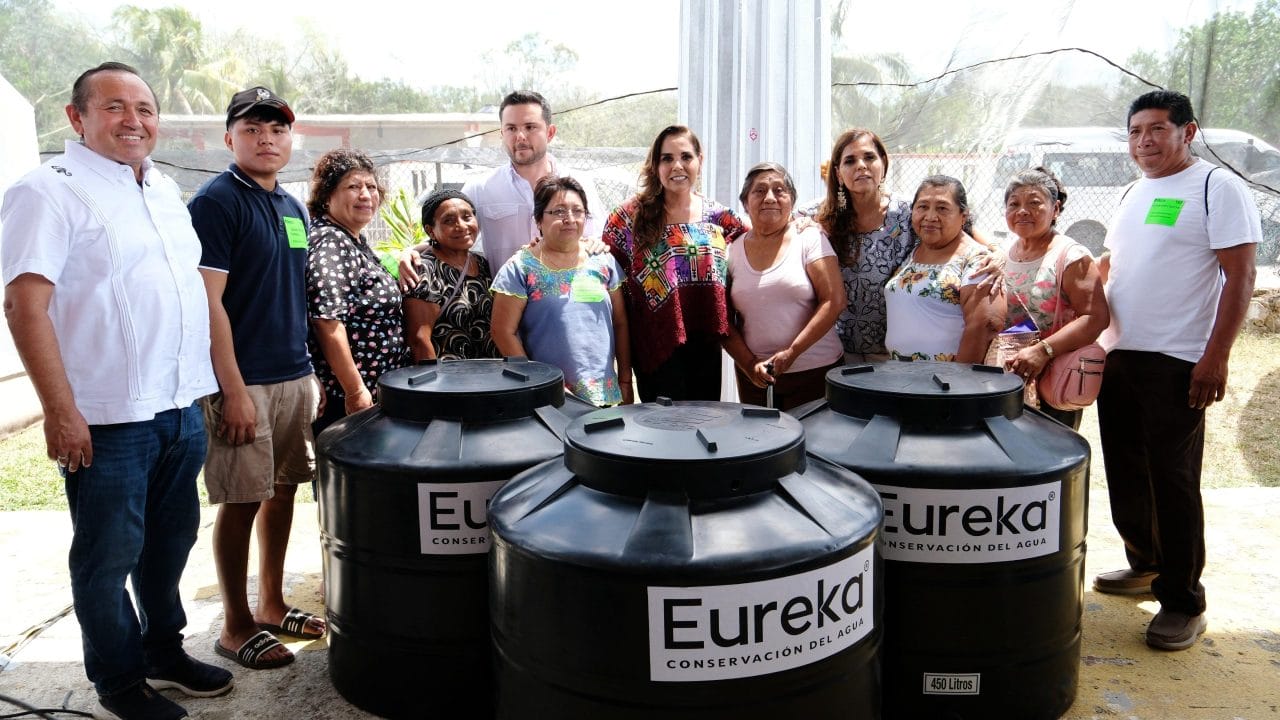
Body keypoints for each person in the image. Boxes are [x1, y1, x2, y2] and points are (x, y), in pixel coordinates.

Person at [1, 62, 231, 719]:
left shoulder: (162, 188)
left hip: (178, 407)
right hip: (106, 418)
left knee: (169, 545)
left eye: (145, 108)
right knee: (106, 559)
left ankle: (163, 651)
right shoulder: (47, 190)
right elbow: (24, 306)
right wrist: (60, 410)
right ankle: (120, 681)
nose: (134, 120)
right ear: (76, 117)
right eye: (114, 107)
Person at [1092, 90, 1258, 651]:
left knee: (1173, 479)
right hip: (1120, 354)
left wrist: (1216, 356)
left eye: (1157, 129)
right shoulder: (1132, 191)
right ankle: (1147, 563)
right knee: (1126, 471)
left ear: (1188, 131)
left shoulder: (1216, 187)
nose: (1144, 141)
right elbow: (1115, 267)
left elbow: (1240, 276)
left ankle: (1184, 600)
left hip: (1178, 359)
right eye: (1136, 131)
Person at [187, 86, 325, 673]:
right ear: (230, 139)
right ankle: (235, 624)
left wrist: (307, 371)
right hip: (243, 382)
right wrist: (233, 389)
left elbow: (292, 293)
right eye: (252, 129)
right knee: (242, 499)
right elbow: (208, 302)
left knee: (283, 489)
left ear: (290, 139)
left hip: (293, 375)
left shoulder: (292, 207)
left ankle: (271, 603)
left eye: (277, 129)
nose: (266, 139)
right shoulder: (216, 202)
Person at [397, 90, 605, 285]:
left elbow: (598, 241)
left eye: (530, 127)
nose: (520, 136)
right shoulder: (481, 188)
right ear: (502, 134)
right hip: (505, 305)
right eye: (511, 128)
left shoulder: (581, 185)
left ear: (550, 132)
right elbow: (449, 237)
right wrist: (411, 251)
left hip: (569, 302)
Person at [603, 125, 749, 401]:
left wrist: (802, 225)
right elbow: (607, 267)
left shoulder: (719, 217)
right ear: (655, 165)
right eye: (667, 158)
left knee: (704, 423)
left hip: (706, 345)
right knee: (660, 425)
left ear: (699, 161)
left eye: (686, 157)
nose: (677, 166)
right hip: (654, 345)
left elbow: (760, 239)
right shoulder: (629, 217)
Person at [491, 175, 632, 406]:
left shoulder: (603, 261)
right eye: (558, 211)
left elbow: (620, 323)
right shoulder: (520, 268)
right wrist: (535, 383)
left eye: (578, 211)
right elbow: (502, 331)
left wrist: (625, 380)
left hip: (604, 394)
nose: (570, 219)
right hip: (549, 398)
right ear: (539, 219)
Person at [723, 163, 844, 410]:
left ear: (792, 202)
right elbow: (723, 319)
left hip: (815, 373)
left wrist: (792, 353)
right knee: (762, 436)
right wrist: (749, 366)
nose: (770, 197)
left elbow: (834, 300)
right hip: (756, 380)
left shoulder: (809, 238)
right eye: (759, 191)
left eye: (780, 190)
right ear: (745, 203)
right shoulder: (732, 251)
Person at [997, 167, 1110, 429]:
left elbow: (1096, 317)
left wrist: (1043, 351)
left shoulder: (1071, 256)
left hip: (1052, 378)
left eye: (1034, 203)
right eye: (1014, 204)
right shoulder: (1003, 252)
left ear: (1055, 209)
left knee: (1048, 449)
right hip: (1007, 377)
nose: (1022, 211)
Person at [305, 149, 406, 435]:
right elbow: (326, 321)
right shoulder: (331, 241)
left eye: (371, 187)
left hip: (372, 391)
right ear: (327, 196)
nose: (365, 195)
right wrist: (355, 390)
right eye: (353, 187)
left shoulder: (351, 239)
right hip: (349, 400)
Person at [807, 129, 915, 363]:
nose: (861, 166)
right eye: (850, 161)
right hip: (837, 353)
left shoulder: (909, 212)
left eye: (869, 157)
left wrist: (994, 253)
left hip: (895, 353)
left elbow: (962, 231)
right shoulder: (816, 215)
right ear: (838, 173)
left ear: (883, 163)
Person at [884, 176, 1005, 363]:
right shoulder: (913, 250)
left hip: (945, 378)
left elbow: (984, 326)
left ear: (963, 216)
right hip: (900, 373)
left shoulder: (978, 261)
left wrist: (957, 377)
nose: (930, 217)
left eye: (942, 208)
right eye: (923, 207)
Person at [403, 189, 499, 361]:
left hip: (491, 371)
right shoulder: (424, 270)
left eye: (467, 217)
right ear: (430, 231)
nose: (461, 226)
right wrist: (432, 377)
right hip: (447, 375)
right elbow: (419, 340)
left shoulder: (482, 263)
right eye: (449, 220)